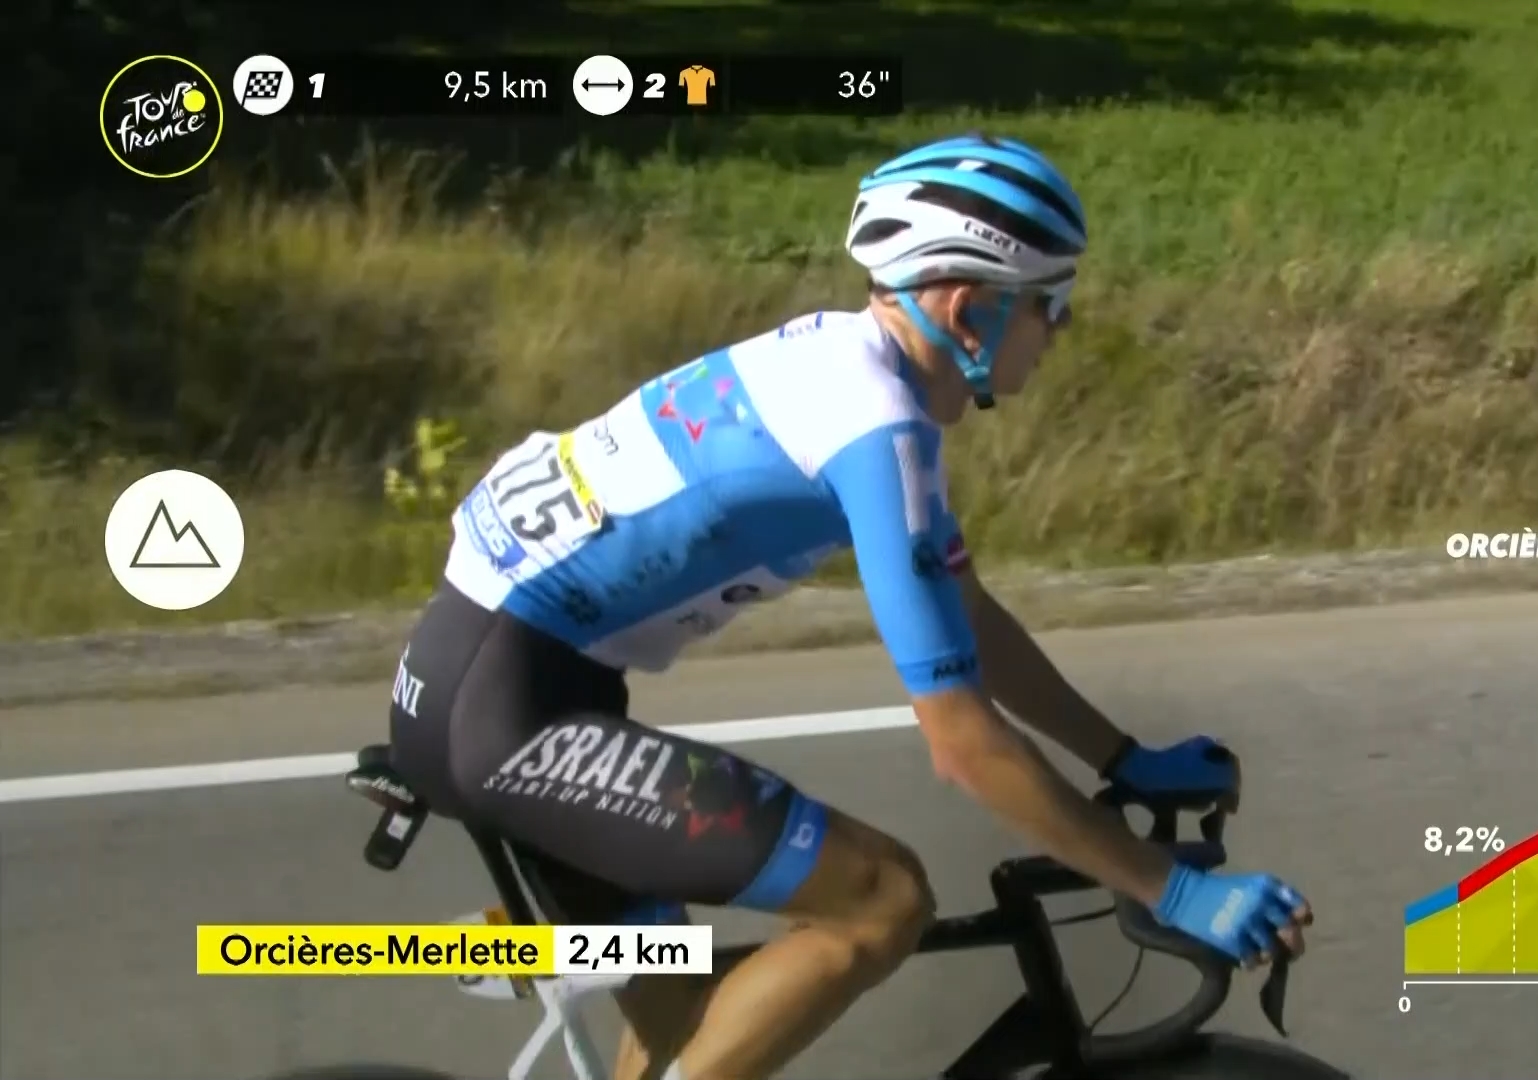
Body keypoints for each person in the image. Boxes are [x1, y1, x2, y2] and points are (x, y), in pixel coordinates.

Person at [386, 133, 1313, 1080]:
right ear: (969, 312)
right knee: (882, 898)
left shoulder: (845, 365)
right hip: (513, 719)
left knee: (687, 1029)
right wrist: (1169, 889)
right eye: (1051, 302)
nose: (1063, 328)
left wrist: (1121, 757)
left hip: (494, 682)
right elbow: (963, 745)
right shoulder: (877, 429)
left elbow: (964, 612)